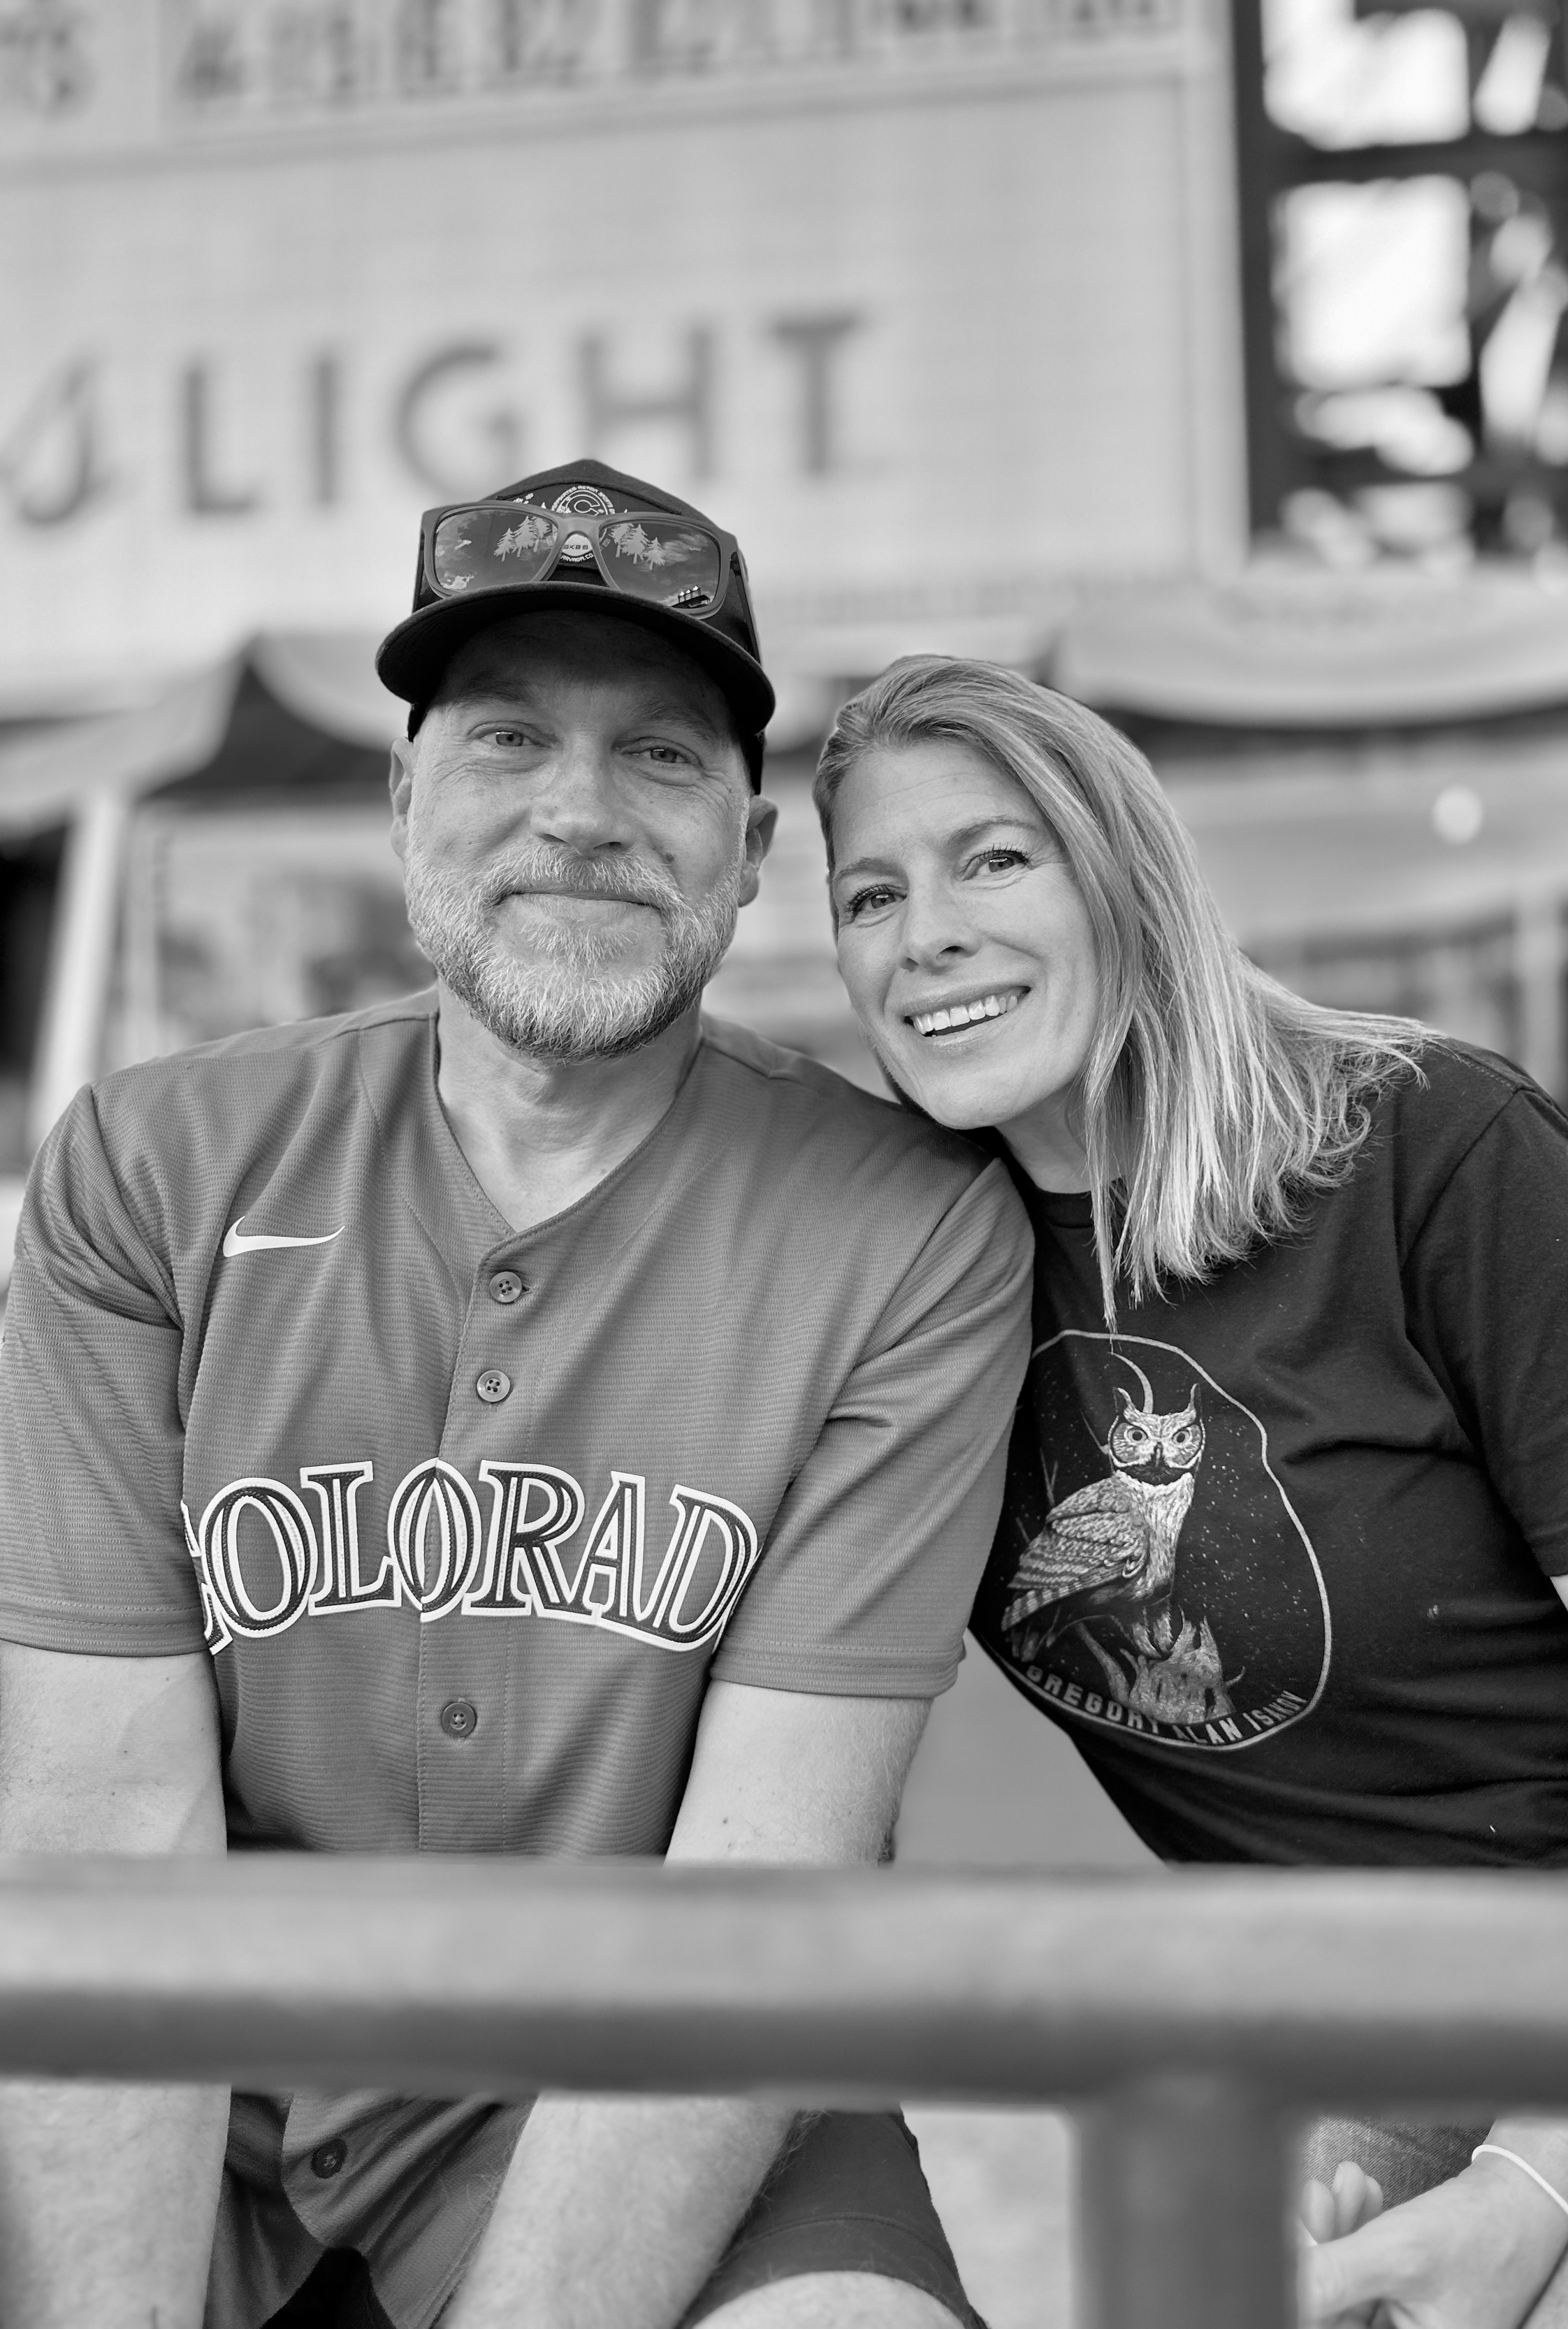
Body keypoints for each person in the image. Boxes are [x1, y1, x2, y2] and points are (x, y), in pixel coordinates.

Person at [0, 468, 1033, 2329]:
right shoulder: (150, 1167)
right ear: (405, 802)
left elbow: (761, 1900)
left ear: (746, 841)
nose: (577, 810)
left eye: (654, 754)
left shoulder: (906, 1228)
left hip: (647, 2074)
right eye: (504, 742)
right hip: (201, 2091)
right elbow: (105, 1836)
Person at [815, 652, 1568, 2329]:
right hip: (1370, 2038)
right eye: (869, 892)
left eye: (992, 858)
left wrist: (1527, 2191)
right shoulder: (902, 1285)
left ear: (1124, 872)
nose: (922, 931)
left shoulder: (1421, 1152)